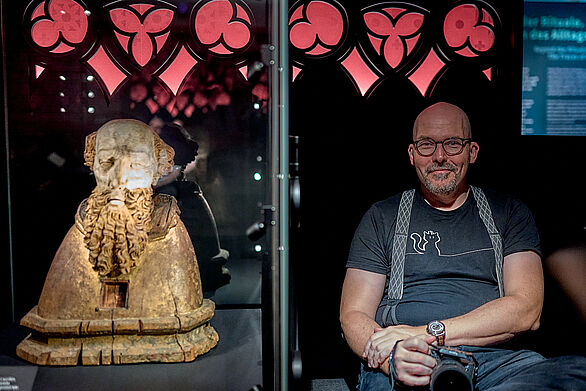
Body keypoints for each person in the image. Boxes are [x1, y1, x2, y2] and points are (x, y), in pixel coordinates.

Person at [340, 102, 586, 390]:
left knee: (576, 371)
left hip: (497, 361)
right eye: (426, 145)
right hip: (411, 358)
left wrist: (426, 332)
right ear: (412, 154)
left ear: (472, 152)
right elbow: (353, 315)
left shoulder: (509, 213)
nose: (439, 156)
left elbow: (526, 310)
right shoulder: (381, 217)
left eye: (453, 144)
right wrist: (391, 359)